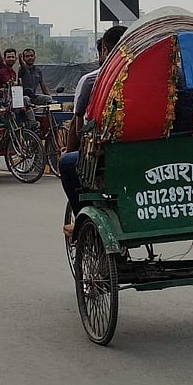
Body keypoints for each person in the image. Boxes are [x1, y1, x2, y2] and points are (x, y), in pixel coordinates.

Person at [61, 26, 127, 232]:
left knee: (66, 163)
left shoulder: (93, 80)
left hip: (109, 155)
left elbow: (77, 124)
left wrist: (70, 150)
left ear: (105, 50)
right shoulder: (152, 76)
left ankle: (82, 220)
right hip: (151, 151)